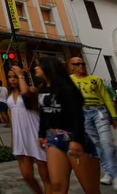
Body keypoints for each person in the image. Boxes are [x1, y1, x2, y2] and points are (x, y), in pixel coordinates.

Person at [35, 57, 100, 194]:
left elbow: (77, 115)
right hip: (53, 139)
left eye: (38, 66)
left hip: (73, 137)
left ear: (48, 68)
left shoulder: (66, 88)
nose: (35, 68)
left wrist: (77, 139)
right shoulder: (42, 89)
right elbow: (44, 114)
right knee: (57, 186)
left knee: (90, 189)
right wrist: (41, 134)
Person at [69, 57, 117, 191]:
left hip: (99, 112)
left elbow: (105, 97)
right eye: (77, 64)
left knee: (107, 143)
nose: (81, 66)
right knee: (97, 146)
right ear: (71, 66)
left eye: (82, 63)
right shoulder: (69, 81)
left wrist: (114, 116)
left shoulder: (95, 79)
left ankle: (116, 176)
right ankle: (108, 172)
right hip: (82, 114)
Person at [8, 66, 52, 194]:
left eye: (15, 77)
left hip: (35, 132)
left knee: (45, 176)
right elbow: (13, 117)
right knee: (27, 175)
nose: (12, 80)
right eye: (10, 77)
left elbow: (26, 92)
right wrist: (13, 138)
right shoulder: (9, 94)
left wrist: (21, 75)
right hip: (20, 136)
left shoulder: (31, 90)